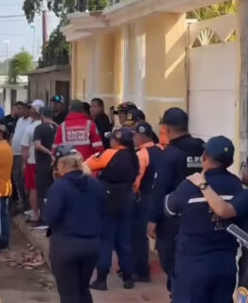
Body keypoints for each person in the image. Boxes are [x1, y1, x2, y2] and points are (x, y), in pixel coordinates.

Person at [164, 136, 242, 303]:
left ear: (205, 156)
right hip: (225, 264)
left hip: (193, 264)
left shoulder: (190, 185)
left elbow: (169, 209)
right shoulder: (237, 185)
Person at [146, 107, 205, 295]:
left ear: (167, 129)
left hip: (173, 219)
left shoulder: (170, 154)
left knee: (172, 264)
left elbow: (159, 189)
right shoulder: (203, 149)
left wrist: (152, 219)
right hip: (202, 216)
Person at [187, 153, 248, 295]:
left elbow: (223, 210)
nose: (243, 170)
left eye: (245, 167)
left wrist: (202, 184)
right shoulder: (240, 189)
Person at [44, 145, 104, 303]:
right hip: (91, 244)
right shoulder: (95, 184)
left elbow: (50, 217)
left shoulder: (59, 186)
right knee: (83, 290)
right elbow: (103, 210)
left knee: (69, 294)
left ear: (62, 165)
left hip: (66, 245)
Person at [86, 128, 140, 290]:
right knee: (124, 239)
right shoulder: (134, 157)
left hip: (108, 199)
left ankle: (101, 279)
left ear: (117, 141)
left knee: (105, 239)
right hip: (127, 198)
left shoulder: (110, 154)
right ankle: (128, 278)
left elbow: (87, 166)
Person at [130, 121, 163, 283]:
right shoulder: (162, 149)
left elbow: (136, 181)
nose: (133, 138)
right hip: (163, 198)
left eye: (135, 135)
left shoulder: (141, 154)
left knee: (139, 236)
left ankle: (141, 272)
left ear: (142, 136)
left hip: (146, 198)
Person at [33, 106, 57, 229]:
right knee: (55, 191)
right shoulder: (58, 127)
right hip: (57, 165)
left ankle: (44, 219)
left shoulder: (39, 128)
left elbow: (37, 145)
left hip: (43, 164)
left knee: (43, 193)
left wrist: (49, 153)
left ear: (42, 116)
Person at [20, 100, 44, 225]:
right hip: (46, 163)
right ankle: (44, 213)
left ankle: (35, 214)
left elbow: (24, 149)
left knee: (33, 189)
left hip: (32, 162)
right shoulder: (52, 126)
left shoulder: (30, 128)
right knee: (45, 189)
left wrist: (24, 164)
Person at [9, 102, 30, 214]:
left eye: (23, 109)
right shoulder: (20, 120)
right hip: (14, 153)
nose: (20, 111)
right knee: (16, 178)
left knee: (24, 179)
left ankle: (27, 203)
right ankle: (22, 200)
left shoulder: (31, 121)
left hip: (23, 155)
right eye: (19, 108)